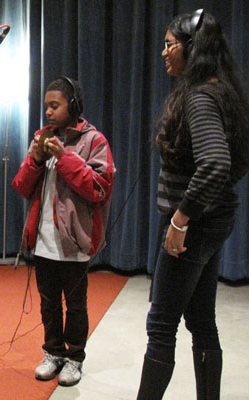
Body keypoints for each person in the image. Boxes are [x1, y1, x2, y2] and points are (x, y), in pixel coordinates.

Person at [136, 9, 249, 400]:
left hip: (195, 227)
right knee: (202, 319)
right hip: (214, 221)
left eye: (170, 45)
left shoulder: (200, 98)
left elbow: (217, 163)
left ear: (192, 48)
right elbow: (235, 163)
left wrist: (181, 219)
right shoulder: (222, 91)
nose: (165, 53)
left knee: (161, 325)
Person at [12, 77, 115, 386]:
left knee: (76, 304)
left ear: (74, 105)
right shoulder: (42, 138)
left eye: (54, 105)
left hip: (76, 240)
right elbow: (20, 185)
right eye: (46, 106)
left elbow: (99, 188)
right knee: (49, 303)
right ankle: (53, 352)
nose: (48, 112)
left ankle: (74, 358)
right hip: (43, 240)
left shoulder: (94, 140)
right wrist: (36, 159)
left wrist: (64, 157)